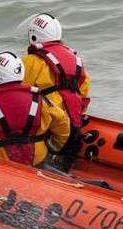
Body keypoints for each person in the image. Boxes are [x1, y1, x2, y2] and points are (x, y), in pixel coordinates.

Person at [20, 13, 91, 170]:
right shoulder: (76, 60)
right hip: (73, 128)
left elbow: (13, 94)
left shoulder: (30, 62)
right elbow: (84, 96)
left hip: (48, 128)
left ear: (33, 36)